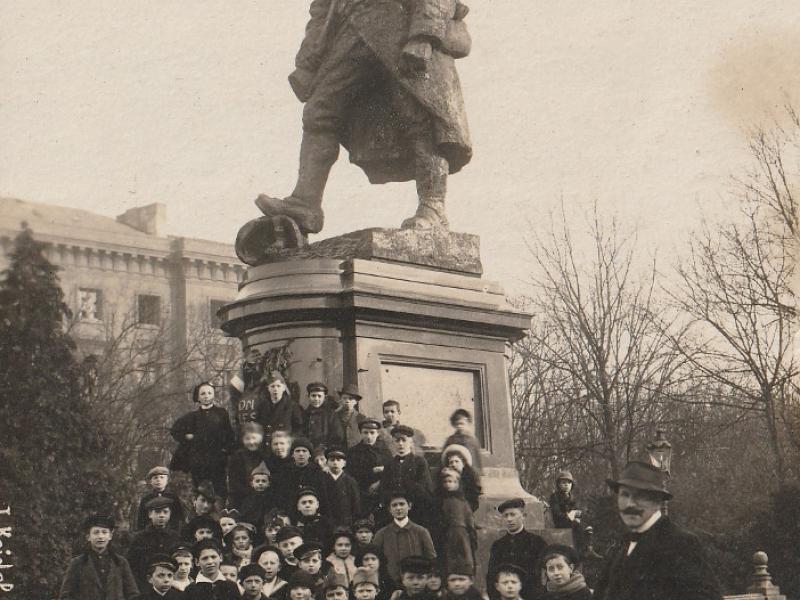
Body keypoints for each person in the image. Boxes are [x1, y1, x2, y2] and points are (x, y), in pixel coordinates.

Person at [252, 0, 472, 233]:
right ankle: (306, 203)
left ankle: (433, 207)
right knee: (319, 113)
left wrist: (424, 35)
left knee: (420, 115)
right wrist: (307, 62)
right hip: (352, 25)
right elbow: (322, 9)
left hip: (401, 26)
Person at [594, 461, 722, 600]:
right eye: (625, 495)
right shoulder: (620, 547)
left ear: (658, 502)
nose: (630, 504)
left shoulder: (681, 544)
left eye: (640, 496)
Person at [170, 381, 237, 500]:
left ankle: (220, 510)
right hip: (198, 462)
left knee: (219, 492)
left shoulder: (221, 413)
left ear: (214, 395)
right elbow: (175, 430)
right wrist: (187, 437)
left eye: (209, 393)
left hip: (217, 460)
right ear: (198, 397)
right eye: (203, 394)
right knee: (200, 492)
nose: (206, 396)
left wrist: (225, 450)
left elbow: (229, 434)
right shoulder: (192, 416)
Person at [58, 514, 139, 600]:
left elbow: (133, 594)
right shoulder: (77, 563)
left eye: (104, 532)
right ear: (88, 537)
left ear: (110, 536)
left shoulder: (120, 562)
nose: (100, 536)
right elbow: (65, 596)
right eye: (96, 532)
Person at [372, 490, 436, 586]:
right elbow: (374, 560)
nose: (398, 508)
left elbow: (431, 559)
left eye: (402, 504)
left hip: (416, 583)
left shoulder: (421, 532)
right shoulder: (381, 534)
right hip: (390, 584)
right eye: (394, 505)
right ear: (389, 509)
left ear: (409, 506)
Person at [485, 499, 546, 600]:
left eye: (513, 514)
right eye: (506, 515)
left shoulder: (537, 542)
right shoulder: (498, 545)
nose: (509, 519)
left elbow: (544, 574)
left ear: (523, 516)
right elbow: (491, 576)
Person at [378, 426, 434, 529]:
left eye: (404, 440)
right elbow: (384, 488)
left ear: (411, 442)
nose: (400, 444)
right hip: (394, 510)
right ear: (393, 443)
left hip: (416, 511)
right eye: (397, 441)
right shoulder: (389, 464)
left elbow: (425, 489)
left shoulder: (419, 462)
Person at [129, 497, 183, 591]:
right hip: (145, 587)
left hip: (171, 586)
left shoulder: (176, 538)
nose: (161, 515)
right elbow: (132, 565)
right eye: (157, 512)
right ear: (150, 514)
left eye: (165, 512)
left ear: (170, 514)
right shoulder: (139, 538)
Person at [347, 419, 393, 517]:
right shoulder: (354, 452)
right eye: (365, 433)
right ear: (361, 433)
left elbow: (392, 470)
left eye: (372, 433)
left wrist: (379, 482)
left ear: (377, 433)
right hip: (362, 493)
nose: (369, 436)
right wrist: (372, 471)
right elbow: (351, 474)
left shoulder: (385, 450)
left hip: (382, 491)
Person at [435, 468, 476, 576]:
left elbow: (469, 518)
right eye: (446, 482)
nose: (448, 484)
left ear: (457, 483)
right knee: (448, 559)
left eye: (452, 481)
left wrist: (471, 532)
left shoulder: (463, 501)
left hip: (462, 534)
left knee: (465, 557)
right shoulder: (440, 501)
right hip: (447, 533)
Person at [230, 423, 272, 510]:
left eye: (254, 438)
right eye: (247, 439)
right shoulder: (238, 457)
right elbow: (235, 483)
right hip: (244, 499)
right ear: (243, 440)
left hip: (265, 498)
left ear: (261, 439)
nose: (251, 442)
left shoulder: (266, 455)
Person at [256, 371, 305, 440]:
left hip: (284, 443)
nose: (275, 389)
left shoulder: (292, 406)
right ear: (268, 388)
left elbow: (299, 428)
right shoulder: (262, 406)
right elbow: (258, 427)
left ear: (284, 388)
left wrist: (290, 440)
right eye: (272, 386)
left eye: (278, 386)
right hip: (267, 443)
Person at [135, 466, 186, 531]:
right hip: (151, 531)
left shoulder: (173, 497)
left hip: (170, 531)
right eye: (155, 478)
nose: (158, 480)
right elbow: (141, 520)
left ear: (167, 481)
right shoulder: (146, 499)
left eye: (162, 477)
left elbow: (179, 518)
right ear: (151, 481)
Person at [324, 448, 361, 528]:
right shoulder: (322, 480)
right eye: (332, 460)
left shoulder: (350, 481)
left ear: (344, 463)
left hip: (346, 523)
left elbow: (356, 505)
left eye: (338, 460)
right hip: (326, 522)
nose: (335, 463)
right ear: (327, 463)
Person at [304, 382, 344, 451]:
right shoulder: (304, 414)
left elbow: (338, 436)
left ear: (325, 398)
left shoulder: (331, 414)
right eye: (313, 396)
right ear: (308, 397)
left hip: (325, 452)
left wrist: (325, 449)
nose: (316, 399)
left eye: (319, 396)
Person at [439, 447, 480, 513]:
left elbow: (474, 501)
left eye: (456, 461)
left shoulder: (469, 479)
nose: (454, 464)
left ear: (463, 464)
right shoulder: (445, 478)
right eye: (451, 462)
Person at [442, 410, 482, 475]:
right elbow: (445, 456)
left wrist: (477, 473)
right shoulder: (450, 440)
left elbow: (477, 461)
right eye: (457, 424)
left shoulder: (472, 441)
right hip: (454, 472)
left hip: (469, 472)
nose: (459, 426)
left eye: (462, 423)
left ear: (468, 424)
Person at [241, 462, 277, 529]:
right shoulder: (248, 500)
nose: (260, 483)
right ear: (252, 484)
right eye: (257, 481)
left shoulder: (272, 499)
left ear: (269, 484)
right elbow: (244, 517)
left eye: (263, 481)